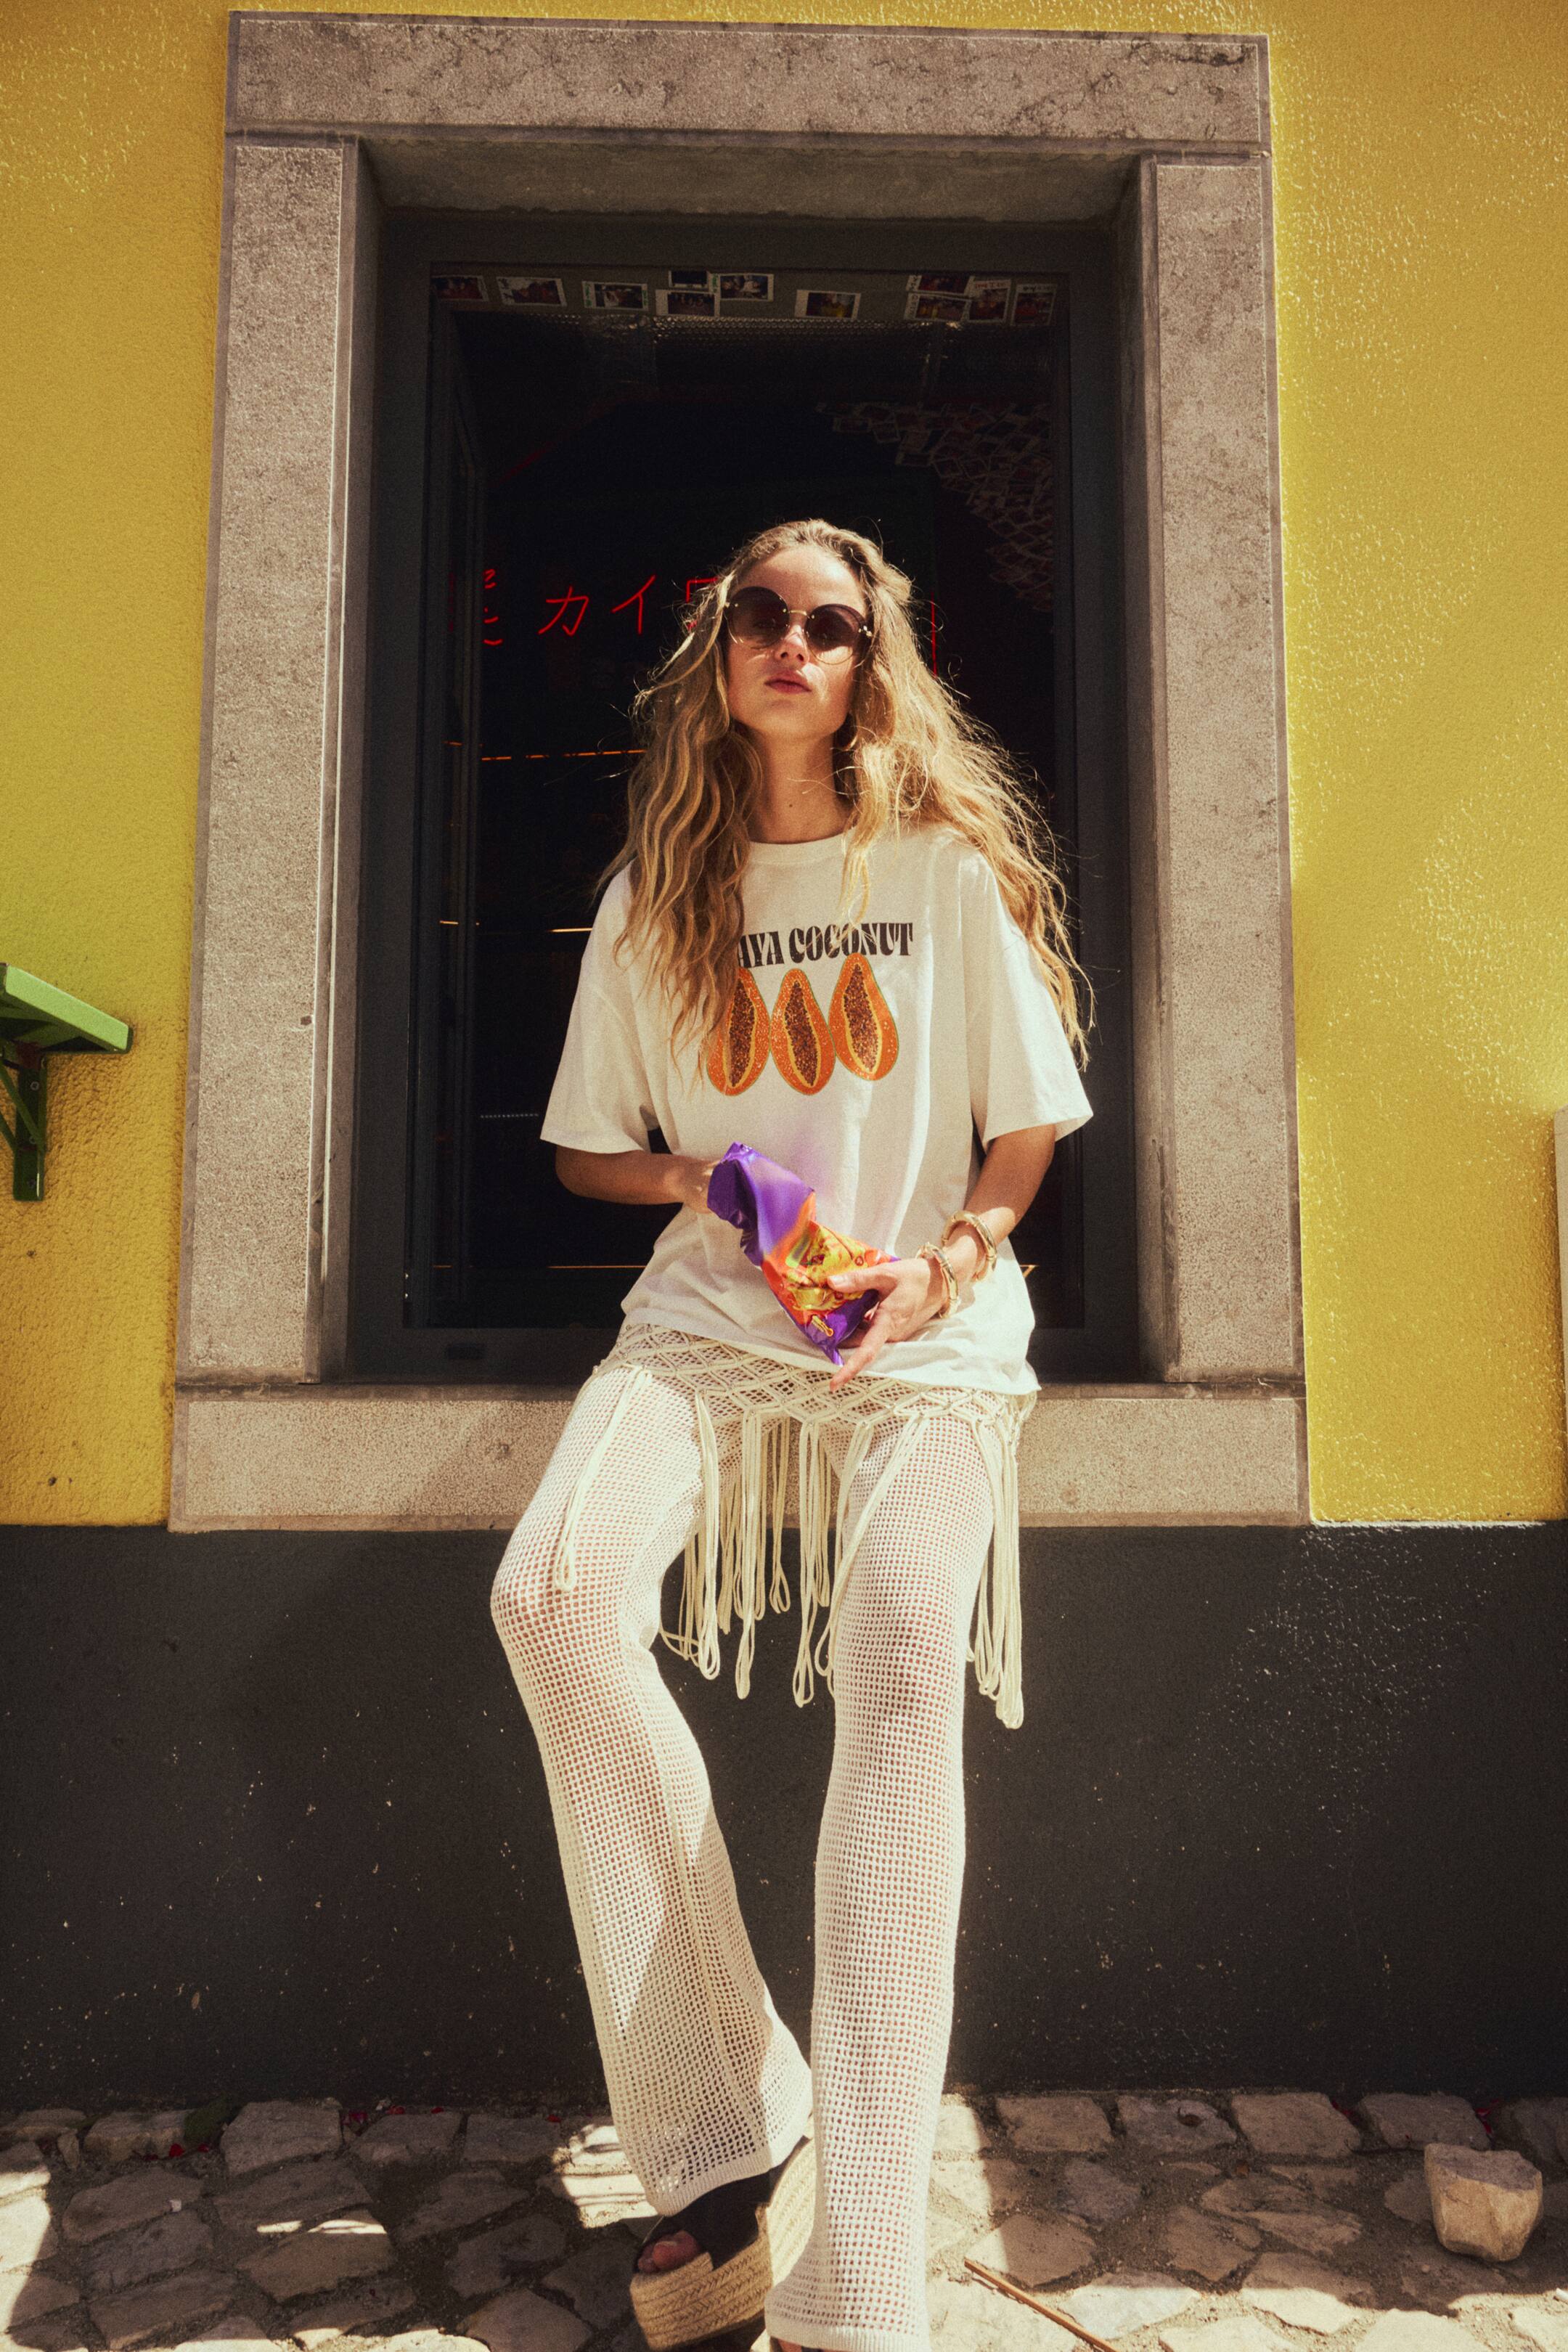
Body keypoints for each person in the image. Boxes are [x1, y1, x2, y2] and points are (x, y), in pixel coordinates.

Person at [489, 518, 1094, 2352]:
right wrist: (702, 1180)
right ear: (719, 647)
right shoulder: (659, 890)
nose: (791, 643)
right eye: (759, 614)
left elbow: (1024, 1129)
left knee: (903, 1652)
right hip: (715, 1314)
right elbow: (584, 1147)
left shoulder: (944, 870)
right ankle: (732, 2114)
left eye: (830, 625)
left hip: (930, 1323)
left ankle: (863, 2276)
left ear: (868, 663)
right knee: (554, 1595)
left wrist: (954, 1257)